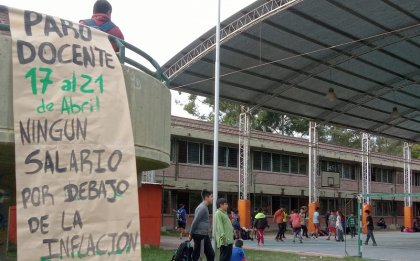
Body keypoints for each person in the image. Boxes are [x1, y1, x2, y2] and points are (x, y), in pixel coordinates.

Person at [189, 190, 215, 261]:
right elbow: (195, 221)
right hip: (200, 235)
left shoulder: (205, 207)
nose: (213, 198)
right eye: (211, 197)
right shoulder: (202, 207)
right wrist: (190, 234)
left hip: (204, 235)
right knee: (196, 256)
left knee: (211, 254)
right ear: (206, 197)